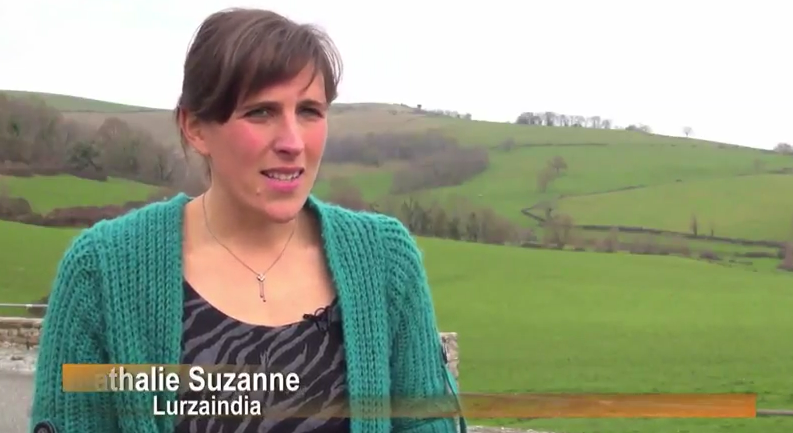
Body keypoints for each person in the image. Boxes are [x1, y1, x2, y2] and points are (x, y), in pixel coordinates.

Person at [29, 7, 465, 433]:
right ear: (195, 127)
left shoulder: (384, 261)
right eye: (261, 112)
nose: (292, 142)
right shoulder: (104, 271)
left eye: (309, 111)